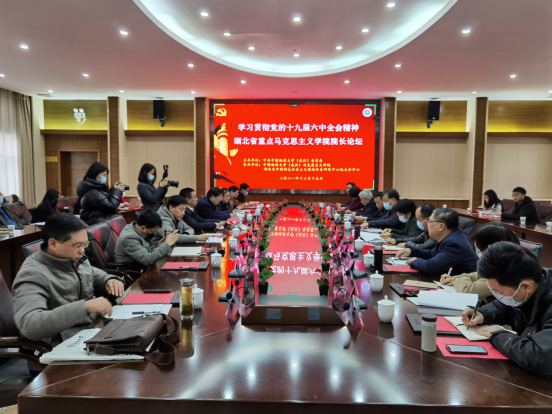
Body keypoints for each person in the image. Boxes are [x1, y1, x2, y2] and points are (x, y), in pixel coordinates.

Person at [11, 214, 125, 345]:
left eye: (85, 244)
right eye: (78, 245)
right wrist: (84, 307)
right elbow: (30, 325)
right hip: (60, 344)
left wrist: (108, 280)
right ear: (53, 244)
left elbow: (91, 273)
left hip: (89, 328)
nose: (83, 251)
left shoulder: (73, 258)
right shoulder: (32, 274)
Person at [461, 242, 552, 378]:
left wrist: (499, 336)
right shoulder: (532, 284)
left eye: (499, 292)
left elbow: (542, 358)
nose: (497, 296)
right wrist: (483, 314)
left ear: (526, 286)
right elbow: (508, 306)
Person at [440, 222, 520, 301]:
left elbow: (468, 291)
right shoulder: (502, 262)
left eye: (480, 248)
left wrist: (457, 281)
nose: (477, 251)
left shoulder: (504, 272)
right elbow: (478, 275)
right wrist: (454, 278)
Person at [396, 208, 478, 276]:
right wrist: (411, 251)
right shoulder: (450, 237)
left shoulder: (454, 243)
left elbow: (430, 267)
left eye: (429, 221)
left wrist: (415, 261)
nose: (427, 225)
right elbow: (432, 253)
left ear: (441, 226)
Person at [114, 209, 179, 268]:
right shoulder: (129, 238)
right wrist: (167, 244)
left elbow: (147, 251)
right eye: (153, 231)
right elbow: (148, 260)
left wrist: (159, 246)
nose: (154, 233)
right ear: (143, 228)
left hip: (141, 264)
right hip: (132, 270)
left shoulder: (138, 229)